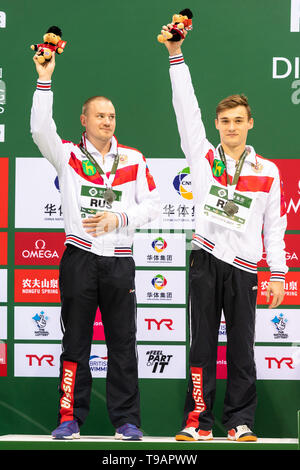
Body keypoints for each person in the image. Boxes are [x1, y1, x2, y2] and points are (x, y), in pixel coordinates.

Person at [159, 25, 287, 441]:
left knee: (242, 349)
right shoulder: (202, 157)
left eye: (238, 121)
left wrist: (279, 273)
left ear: (251, 123)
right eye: (224, 121)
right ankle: (198, 421)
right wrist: (176, 55)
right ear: (215, 124)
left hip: (246, 267)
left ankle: (240, 422)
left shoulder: (267, 171)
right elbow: (185, 108)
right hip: (205, 259)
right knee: (201, 348)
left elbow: (276, 227)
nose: (231, 127)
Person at [31, 52, 160, 440]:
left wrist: (119, 218)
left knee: (124, 343)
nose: (107, 121)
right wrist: (44, 79)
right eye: (100, 115)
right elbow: (39, 129)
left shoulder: (133, 159)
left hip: (120, 261)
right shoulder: (68, 155)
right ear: (85, 120)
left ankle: (127, 420)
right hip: (80, 259)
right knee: (75, 343)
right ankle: (70, 418)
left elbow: (153, 206)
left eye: (112, 116)